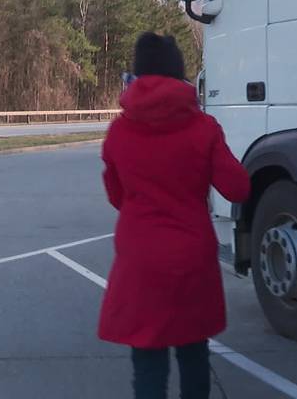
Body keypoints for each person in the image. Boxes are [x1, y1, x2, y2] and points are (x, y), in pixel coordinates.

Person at [99, 32, 250, 399]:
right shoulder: (203, 128)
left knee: (148, 362)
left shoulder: (119, 131)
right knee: (193, 354)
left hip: (140, 257)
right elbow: (238, 188)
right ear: (178, 73)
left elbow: (117, 195)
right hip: (191, 257)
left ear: (138, 74)